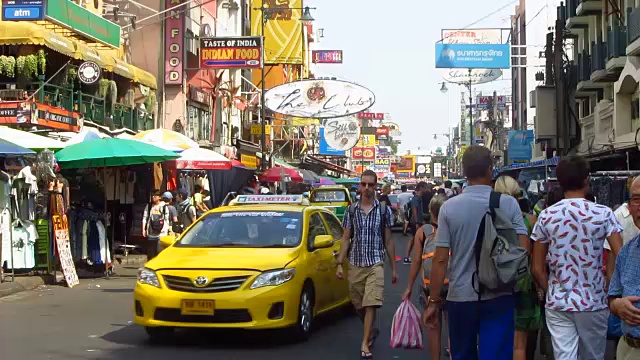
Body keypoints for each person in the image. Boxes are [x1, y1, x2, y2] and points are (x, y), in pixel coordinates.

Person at [424, 145, 529, 360]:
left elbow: (441, 259)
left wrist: (434, 300)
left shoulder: (449, 208)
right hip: (500, 293)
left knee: (462, 354)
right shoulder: (508, 204)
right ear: (491, 170)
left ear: (464, 172)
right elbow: (523, 249)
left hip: (461, 296)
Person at [531, 156, 623, 360]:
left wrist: (551, 290)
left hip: (558, 301)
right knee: (593, 355)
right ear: (587, 179)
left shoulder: (546, 216)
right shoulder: (604, 214)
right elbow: (621, 255)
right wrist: (610, 286)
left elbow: (537, 267)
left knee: (565, 356)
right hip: (594, 300)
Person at [336, 170, 397, 360]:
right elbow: (346, 238)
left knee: (371, 303)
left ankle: (364, 342)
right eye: (364, 184)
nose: (367, 188)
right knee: (358, 303)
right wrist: (340, 263)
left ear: (376, 186)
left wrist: (394, 268)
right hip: (355, 263)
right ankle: (370, 331)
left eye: (371, 185)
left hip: (375, 263)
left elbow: (388, 241)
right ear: (360, 186)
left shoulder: (383, 210)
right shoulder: (351, 210)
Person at [494, 176, 542, 360]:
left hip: (496, 281)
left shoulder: (491, 219)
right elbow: (535, 257)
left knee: (496, 337)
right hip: (524, 283)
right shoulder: (531, 220)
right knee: (520, 344)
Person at [403, 194, 451, 360]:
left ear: (430, 210)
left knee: (433, 325)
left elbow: (416, 261)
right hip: (452, 284)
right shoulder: (453, 229)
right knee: (452, 326)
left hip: (429, 287)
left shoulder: (423, 232)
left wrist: (409, 286)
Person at [608, 176, 640, 360]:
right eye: (636, 199)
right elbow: (613, 296)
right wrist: (617, 305)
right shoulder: (627, 251)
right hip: (627, 348)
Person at [142, 189, 170, 260]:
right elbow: (145, 218)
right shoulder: (149, 206)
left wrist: (168, 231)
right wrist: (143, 229)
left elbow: (167, 220)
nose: (153, 197)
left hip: (162, 234)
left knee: (160, 255)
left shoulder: (164, 207)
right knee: (151, 254)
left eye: (155, 196)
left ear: (159, 197)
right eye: (152, 195)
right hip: (151, 233)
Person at [404, 181, 428, 264]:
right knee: (414, 239)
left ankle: (415, 256)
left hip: (418, 221)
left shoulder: (419, 198)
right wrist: (417, 222)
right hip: (416, 222)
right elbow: (414, 210)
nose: (426, 189)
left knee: (416, 239)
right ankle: (407, 257)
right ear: (421, 188)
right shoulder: (416, 198)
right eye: (425, 187)